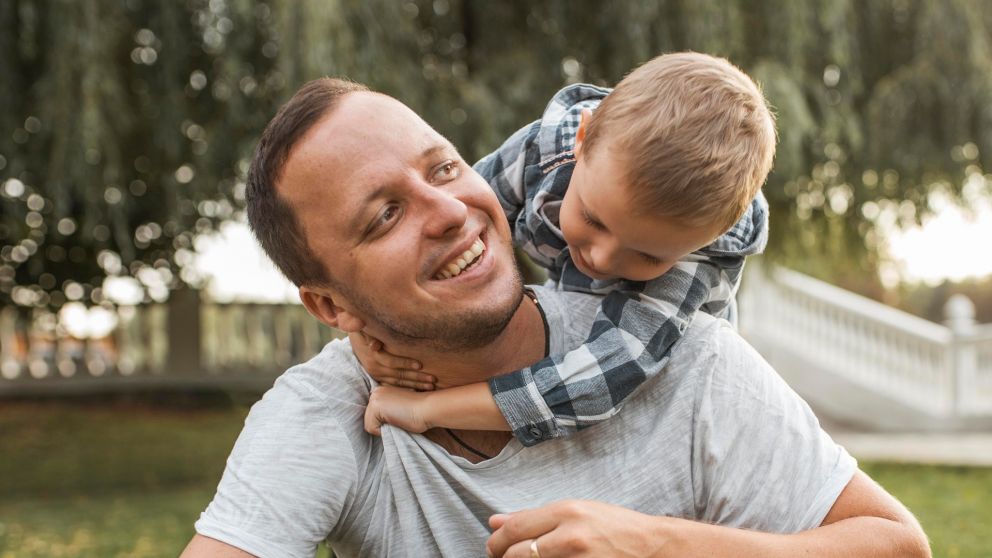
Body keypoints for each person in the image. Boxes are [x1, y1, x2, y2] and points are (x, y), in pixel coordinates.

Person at [180, 78, 930, 558]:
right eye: (385, 215)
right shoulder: (328, 410)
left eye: (445, 168)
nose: (453, 210)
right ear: (330, 306)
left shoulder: (686, 356)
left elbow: (896, 546)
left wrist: (657, 546)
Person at [357, 53, 776, 445]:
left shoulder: (696, 257)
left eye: (649, 256)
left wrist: (428, 410)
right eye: (594, 220)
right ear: (583, 138)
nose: (602, 258)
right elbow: (457, 229)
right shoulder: (544, 152)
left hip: (658, 400)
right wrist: (367, 329)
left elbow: (598, 384)